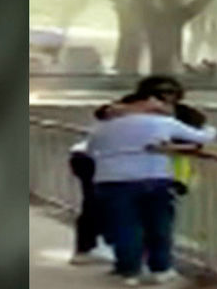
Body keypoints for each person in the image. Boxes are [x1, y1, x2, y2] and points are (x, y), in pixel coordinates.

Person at [87, 95, 216, 286]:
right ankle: (161, 268)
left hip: (112, 179)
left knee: (124, 226)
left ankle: (130, 271)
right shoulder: (162, 122)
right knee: (159, 224)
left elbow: (91, 150)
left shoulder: (103, 127)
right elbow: (203, 137)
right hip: (154, 177)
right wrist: (209, 127)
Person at [67, 94, 169, 266]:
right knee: (100, 204)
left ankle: (100, 247)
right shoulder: (124, 113)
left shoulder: (135, 116)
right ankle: (97, 247)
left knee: (101, 203)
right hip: (94, 159)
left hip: (94, 158)